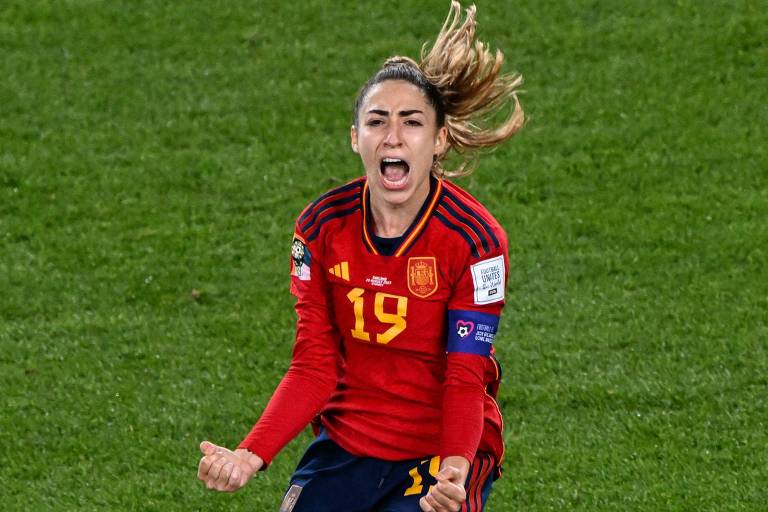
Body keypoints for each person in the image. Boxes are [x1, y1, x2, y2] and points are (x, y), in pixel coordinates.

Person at [197, 2, 523, 510]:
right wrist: (248, 456)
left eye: (411, 122)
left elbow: (465, 376)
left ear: (438, 140)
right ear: (356, 138)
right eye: (377, 121)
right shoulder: (320, 229)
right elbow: (313, 366)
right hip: (347, 445)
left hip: (441, 454)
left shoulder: (475, 241)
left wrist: (455, 471)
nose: (393, 136)